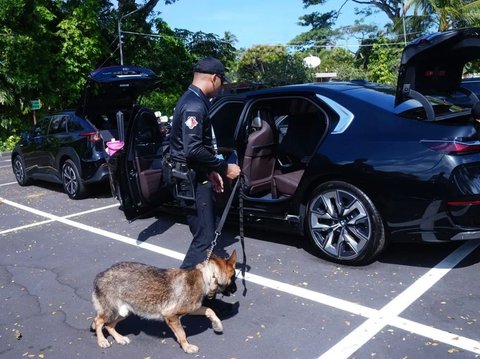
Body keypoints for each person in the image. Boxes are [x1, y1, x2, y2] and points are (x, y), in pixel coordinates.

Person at [169, 56, 241, 269]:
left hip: (194, 175)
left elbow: (191, 147)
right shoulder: (194, 105)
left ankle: (195, 290)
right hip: (189, 180)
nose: (221, 87)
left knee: (204, 235)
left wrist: (210, 171)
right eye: (221, 81)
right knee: (204, 239)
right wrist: (224, 167)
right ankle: (183, 293)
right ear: (213, 78)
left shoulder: (193, 99)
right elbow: (193, 150)